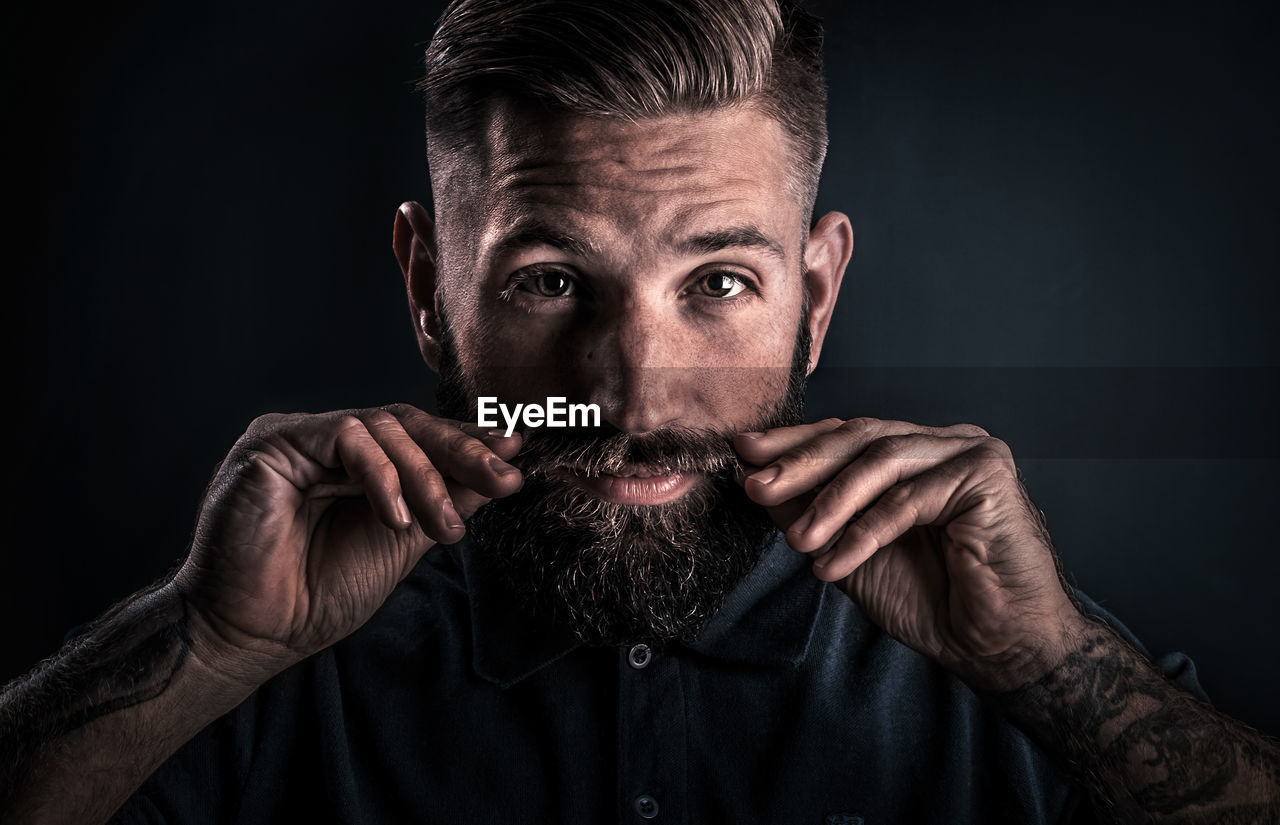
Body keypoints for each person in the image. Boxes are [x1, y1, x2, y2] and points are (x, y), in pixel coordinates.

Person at [3, 0, 1277, 822]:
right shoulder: (270, 664)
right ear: (427, 292)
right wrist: (207, 644)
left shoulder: (996, 646)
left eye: (718, 283)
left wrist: (1046, 669)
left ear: (815, 298)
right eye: (550, 281)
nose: (630, 396)